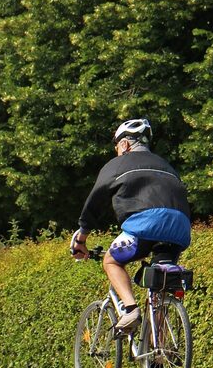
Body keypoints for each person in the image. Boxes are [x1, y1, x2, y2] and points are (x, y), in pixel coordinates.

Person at [70, 118, 192, 330]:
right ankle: (159, 354)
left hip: (146, 224)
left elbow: (95, 200)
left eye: (117, 146)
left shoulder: (118, 164)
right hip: (180, 227)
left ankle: (131, 309)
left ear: (124, 144)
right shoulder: (166, 165)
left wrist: (82, 236)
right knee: (161, 283)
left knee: (111, 261)